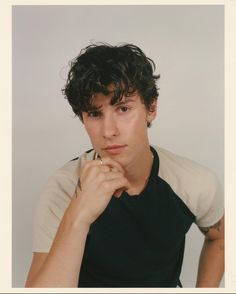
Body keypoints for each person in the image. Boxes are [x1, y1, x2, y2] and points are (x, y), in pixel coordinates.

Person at [25, 43, 224, 288]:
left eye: (123, 109)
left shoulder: (193, 182)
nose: (109, 131)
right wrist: (79, 215)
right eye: (95, 114)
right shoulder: (64, 188)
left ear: (151, 108)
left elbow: (221, 236)